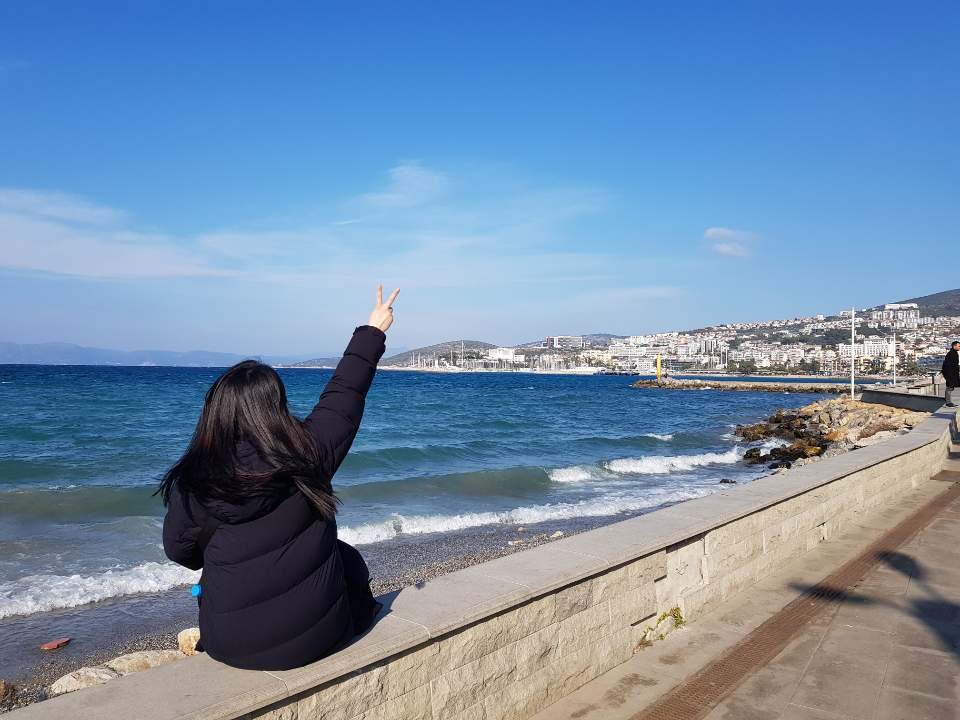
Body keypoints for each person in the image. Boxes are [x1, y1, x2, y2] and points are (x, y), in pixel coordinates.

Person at [159, 285, 399, 671]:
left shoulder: (195, 481)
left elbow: (180, 552)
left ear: (215, 413)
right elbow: (345, 395)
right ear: (277, 407)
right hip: (321, 638)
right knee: (346, 560)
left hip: (229, 647)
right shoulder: (310, 453)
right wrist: (372, 331)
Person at [942, 341, 960, 408]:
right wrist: (948, 375)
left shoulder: (954, 353)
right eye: (959, 346)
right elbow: (947, 366)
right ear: (954, 346)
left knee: (951, 388)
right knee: (949, 388)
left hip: (953, 374)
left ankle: (948, 402)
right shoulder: (951, 354)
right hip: (950, 375)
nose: (959, 347)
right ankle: (948, 403)